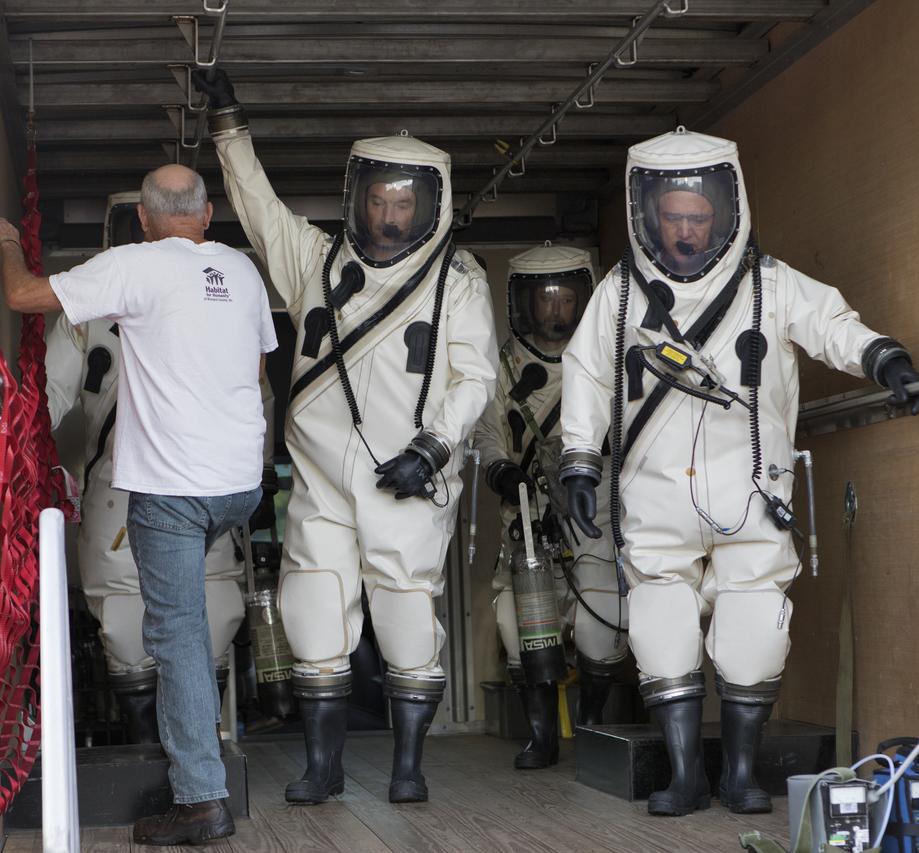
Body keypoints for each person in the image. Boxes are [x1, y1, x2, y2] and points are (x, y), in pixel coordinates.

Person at [559, 128, 919, 818]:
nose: (686, 231)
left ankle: (742, 774)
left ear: (726, 211)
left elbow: (831, 324)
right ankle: (686, 776)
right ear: (648, 214)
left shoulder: (769, 285)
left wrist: (883, 358)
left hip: (751, 491)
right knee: (660, 627)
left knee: (755, 629)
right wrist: (579, 459)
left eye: (699, 218)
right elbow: (585, 376)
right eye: (674, 217)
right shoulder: (619, 294)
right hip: (655, 494)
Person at [194, 68, 497, 805]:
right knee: (313, 609)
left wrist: (432, 448)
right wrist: (229, 126)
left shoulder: (456, 280)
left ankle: (408, 767)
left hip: (409, 476)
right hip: (323, 478)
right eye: (378, 200)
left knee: (405, 614)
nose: (389, 216)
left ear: (430, 204)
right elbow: (259, 208)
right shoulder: (316, 262)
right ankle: (323, 767)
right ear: (356, 197)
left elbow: (476, 377)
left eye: (404, 203)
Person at [0, 163, 277, 845]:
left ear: (143, 222)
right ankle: (194, 754)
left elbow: (25, 296)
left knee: (177, 639)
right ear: (207, 215)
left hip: (170, 491)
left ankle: (201, 799)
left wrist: (8, 243)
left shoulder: (132, 266)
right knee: (192, 619)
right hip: (238, 486)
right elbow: (259, 367)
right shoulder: (241, 271)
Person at [45, 305, 279, 744]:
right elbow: (47, 397)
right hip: (131, 487)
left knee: (214, 617)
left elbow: (256, 396)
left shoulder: (215, 303)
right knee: (127, 630)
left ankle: (199, 761)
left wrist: (262, 475)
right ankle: (155, 759)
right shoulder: (93, 312)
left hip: (197, 485)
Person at [472, 243, 626, 770]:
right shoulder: (503, 368)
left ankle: (594, 726)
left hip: (593, 507)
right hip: (528, 509)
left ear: (584, 298)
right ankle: (542, 739)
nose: (556, 310)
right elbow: (487, 431)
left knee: (600, 621)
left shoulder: (609, 359)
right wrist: (500, 469)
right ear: (525, 303)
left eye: (565, 298)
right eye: (545, 298)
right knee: (522, 626)